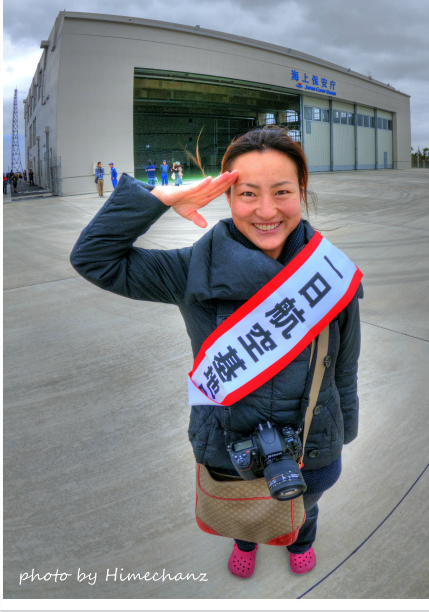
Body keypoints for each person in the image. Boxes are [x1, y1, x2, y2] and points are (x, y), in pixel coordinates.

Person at [70, 126, 362, 579]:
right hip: (230, 447)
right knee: (241, 509)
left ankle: (301, 538)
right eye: (248, 194)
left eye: (282, 192)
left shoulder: (330, 273)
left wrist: (344, 432)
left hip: (313, 442)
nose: (267, 211)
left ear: (301, 192)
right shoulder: (192, 268)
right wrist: (158, 198)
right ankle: (245, 538)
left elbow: (345, 364)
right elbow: (94, 258)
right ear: (227, 196)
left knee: (304, 506)